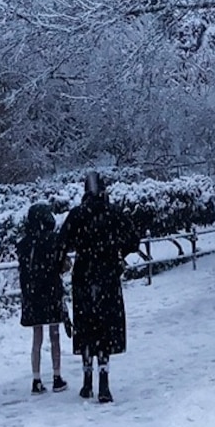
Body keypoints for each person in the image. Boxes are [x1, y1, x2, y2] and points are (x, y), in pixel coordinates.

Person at [61, 170, 131, 404]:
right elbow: (133, 238)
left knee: (86, 327)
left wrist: (72, 253)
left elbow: (63, 242)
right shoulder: (113, 214)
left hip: (84, 276)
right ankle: (104, 383)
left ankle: (86, 381)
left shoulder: (77, 215)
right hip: (108, 276)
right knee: (105, 329)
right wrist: (118, 251)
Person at [17, 198, 68, 392]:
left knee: (36, 336)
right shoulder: (53, 240)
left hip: (32, 295)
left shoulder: (24, 244)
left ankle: (36, 379)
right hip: (51, 291)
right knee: (54, 334)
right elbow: (62, 265)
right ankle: (56, 376)